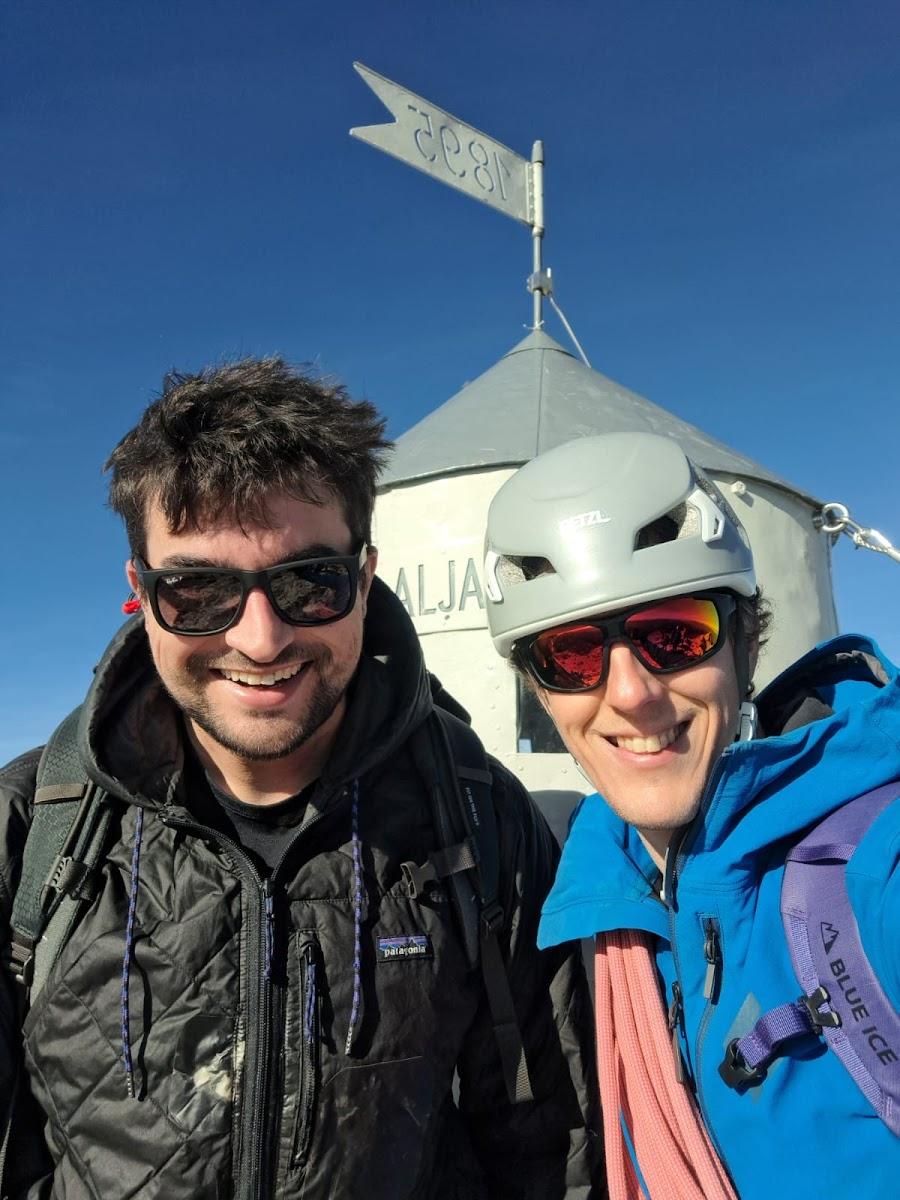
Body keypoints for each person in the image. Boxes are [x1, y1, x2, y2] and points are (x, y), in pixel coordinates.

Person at [0, 358, 601, 1200]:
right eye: (199, 589)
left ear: (365, 577)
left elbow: (549, 1155)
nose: (261, 639)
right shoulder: (33, 828)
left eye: (309, 583)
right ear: (140, 591)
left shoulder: (479, 818)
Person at [483, 431, 900, 1200]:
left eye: (674, 634)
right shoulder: (590, 893)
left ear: (743, 642)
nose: (631, 694)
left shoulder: (873, 866)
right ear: (540, 691)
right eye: (571, 655)